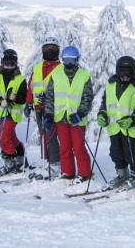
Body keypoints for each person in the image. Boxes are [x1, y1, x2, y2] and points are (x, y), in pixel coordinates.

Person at [44, 46, 93, 182]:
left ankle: (84, 174)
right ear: (62, 60)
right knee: (64, 147)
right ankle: (67, 172)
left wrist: (81, 113)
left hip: (77, 118)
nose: (69, 63)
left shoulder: (84, 75)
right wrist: (48, 116)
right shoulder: (56, 74)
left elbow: (87, 97)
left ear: (77, 60)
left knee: (78, 147)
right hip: (60, 117)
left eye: (72, 60)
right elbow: (49, 97)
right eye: (66, 60)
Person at [97, 56, 135, 188]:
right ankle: (123, 175)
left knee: (131, 153)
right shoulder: (111, 84)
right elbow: (105, 102)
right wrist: (102, 114)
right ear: (117, 71)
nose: (125, 75)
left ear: (133, 71)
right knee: (115, 152)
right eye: (122, 71)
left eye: (128, 71)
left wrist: (133, 118)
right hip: (113, 126)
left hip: (130, 127)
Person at [24, 37, 62, 178]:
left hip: (53, 109)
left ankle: (55, 166)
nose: (50, 51)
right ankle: (47, 163)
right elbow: (31, 85)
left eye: (53, 48)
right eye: (47, 49)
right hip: (38, 108)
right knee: (44, 136)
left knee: (51, 137)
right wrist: (28, 103)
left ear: (58, 51)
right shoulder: (38, 67)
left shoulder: (61, 69)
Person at [0, 49, 28, 177]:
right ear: (2, 63)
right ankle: (20, 156)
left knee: (2, 138)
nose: (9, 67)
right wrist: (1, 102)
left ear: (16, 64)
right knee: (10, 137)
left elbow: (23, 98)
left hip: (13, 114)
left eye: (12, 64)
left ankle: (10, 163)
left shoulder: (20, 79)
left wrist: (14, 98)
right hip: (2, 112)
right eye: (6, 63)